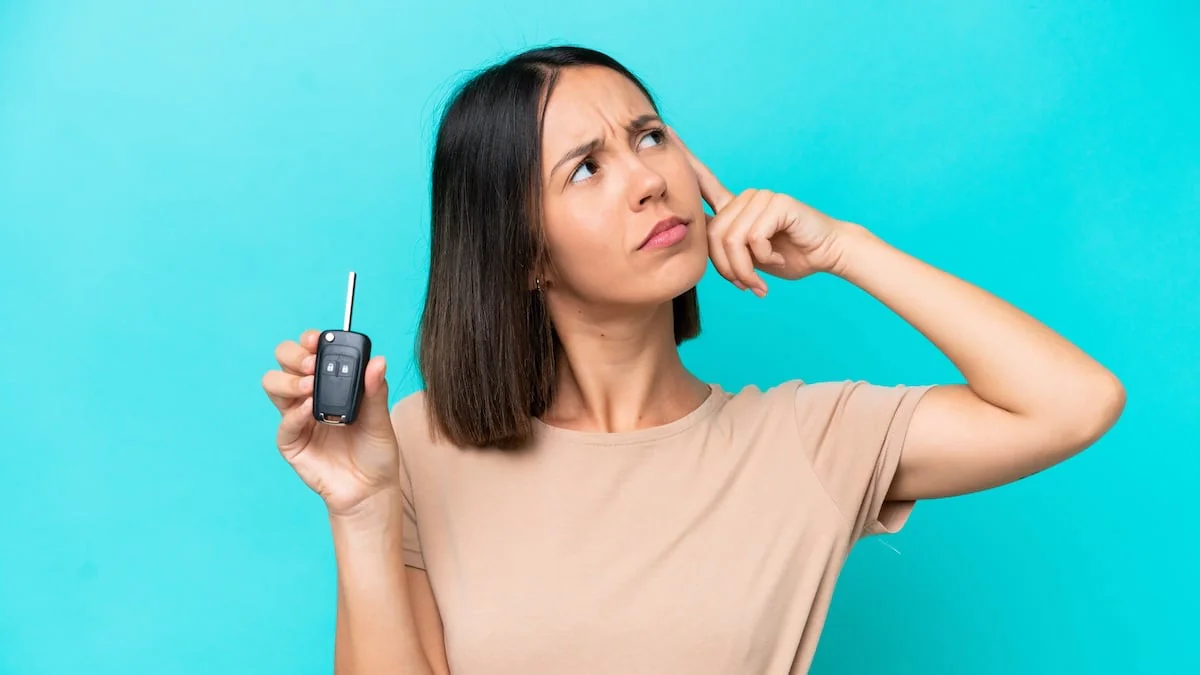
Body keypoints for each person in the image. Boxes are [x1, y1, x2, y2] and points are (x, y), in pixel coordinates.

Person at [260, 45, 1125, 675]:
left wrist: (847, 248)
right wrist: (362, 507)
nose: (648, 179)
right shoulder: (419, 448)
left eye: (648, 136)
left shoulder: (807, 440)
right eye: (586, 168)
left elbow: (1075, 402)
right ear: (522, 252)